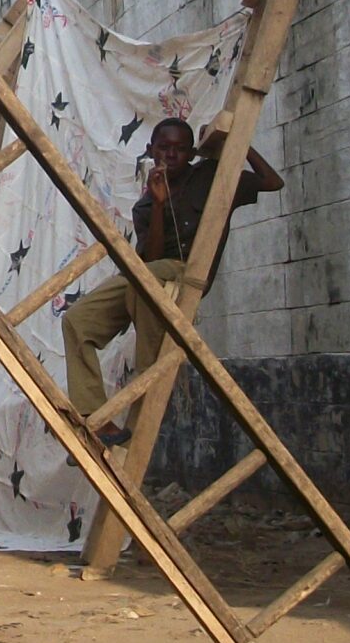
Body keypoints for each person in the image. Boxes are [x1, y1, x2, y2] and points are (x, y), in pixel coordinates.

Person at [59, 117, 282, 442]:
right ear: (151, 151)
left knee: (141, 280)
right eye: (164, 148)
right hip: (147, 275)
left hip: (185, 273)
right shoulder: (147, 203)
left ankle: (149, 375)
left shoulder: (210, 177)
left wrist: (239, 146)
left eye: (180, 149)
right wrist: (160, 202)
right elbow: (149, 259)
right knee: (77, 321)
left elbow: (272, 182)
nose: (171, 155)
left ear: (192, 153)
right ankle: (96, 418)